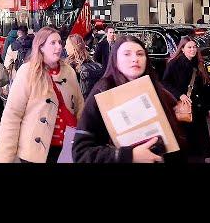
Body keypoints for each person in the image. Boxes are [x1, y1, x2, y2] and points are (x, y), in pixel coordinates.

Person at [72, 35, 187, 163]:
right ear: (115, 59)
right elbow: (81, 153)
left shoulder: (159, 92)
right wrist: (128, 155)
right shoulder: (103, 91)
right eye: (127, 54)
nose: (135, 59)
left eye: (140, 54)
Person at [0, 26, 84, 163]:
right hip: (35, 152)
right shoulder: (27, 72)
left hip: (66, 148)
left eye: (60, 42)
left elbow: (80, 109)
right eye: (53, 43)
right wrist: (4, 159)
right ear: (40, 46)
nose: (58, 47)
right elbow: (12, 116)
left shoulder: (69, 72)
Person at [162, 36, 210, 163]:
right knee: (187, 142)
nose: (193, 49)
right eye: (189, 47)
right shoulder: (174, 64)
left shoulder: (199, 64)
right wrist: (180, 95)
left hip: (198, 110)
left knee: (199, 144)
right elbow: (165, 83)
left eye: (194, 47)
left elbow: (204, 89)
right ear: (183, 49)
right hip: (184, 109)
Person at [65, 34, 104, 100]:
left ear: (73, 47)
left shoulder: (69, 66)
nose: (65, 47)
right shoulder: (94, 63)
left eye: (67, 44)